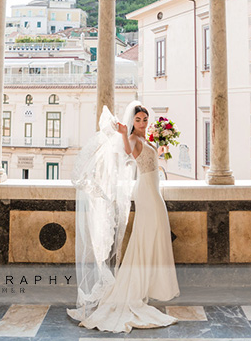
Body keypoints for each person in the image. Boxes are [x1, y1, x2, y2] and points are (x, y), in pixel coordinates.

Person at [67, 103, 179, 333]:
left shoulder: (145, 137)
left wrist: (161, 142)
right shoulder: (133, 139)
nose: (142, 123)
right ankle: (136, 286)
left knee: (152, 234)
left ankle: (148, 283)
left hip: (152, 188)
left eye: (144, 119)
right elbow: (127, 152)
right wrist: (122, 133)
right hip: (147, 190)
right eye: (138, 119)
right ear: (132, 121)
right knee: (149, 233)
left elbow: (153, 157)